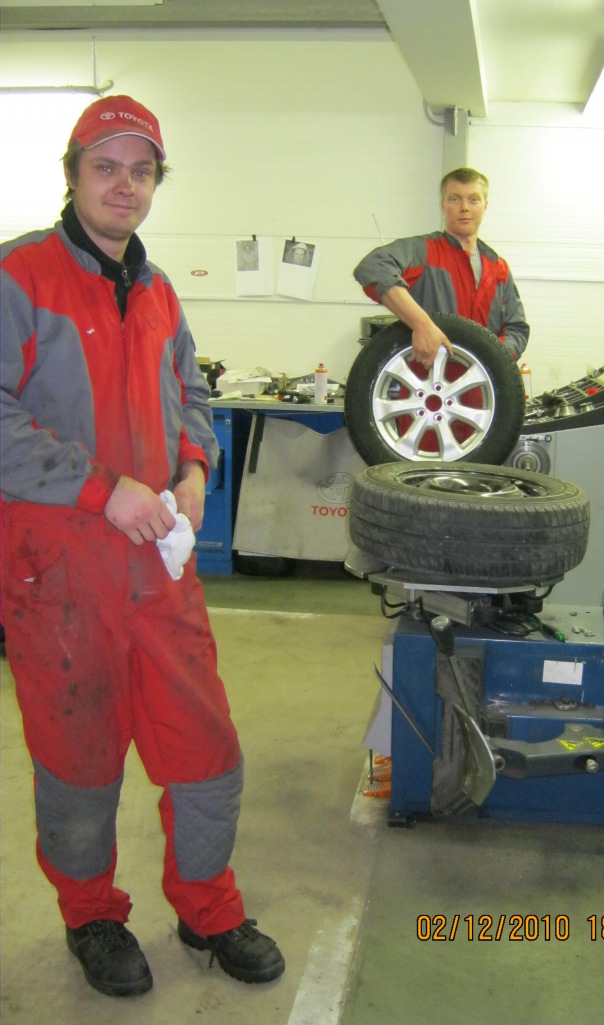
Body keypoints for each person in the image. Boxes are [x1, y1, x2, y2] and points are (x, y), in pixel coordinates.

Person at [0, 96, 285, 998]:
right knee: (78, 758)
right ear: (73, 174)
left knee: (205, 747)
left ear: (156, 182)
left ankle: (208, 907)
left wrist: (195, 464)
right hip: (60, 574)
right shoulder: (19, 277)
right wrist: (101, 488)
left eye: (142, 170)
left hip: (160, 568)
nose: (124, 185)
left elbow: (191, 393)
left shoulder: (160, 292)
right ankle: (91, 913)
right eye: (106, 167)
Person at [353, 167, 529, 368]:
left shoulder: (498, 269)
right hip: (425, 382)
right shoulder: (424, 252)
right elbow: (372, 267)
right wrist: (422, 324)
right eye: (455, 199)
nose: (464, 208)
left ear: (485, 206)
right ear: (443, 205)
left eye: (473, 200)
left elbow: (517, 329)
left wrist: (492, 357)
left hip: (481, 384)